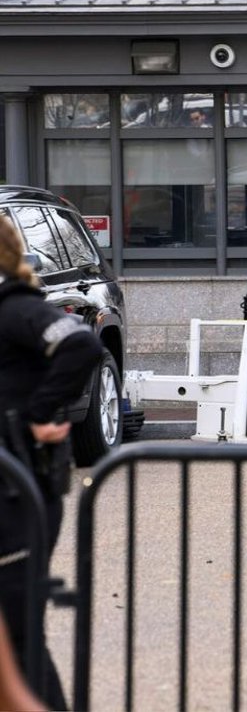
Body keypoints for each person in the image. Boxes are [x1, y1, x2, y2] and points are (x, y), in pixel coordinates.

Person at [0, 212, 102, 710]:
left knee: (18, 635)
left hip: (19, 494)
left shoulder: (15, 309)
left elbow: (80, 343)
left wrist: (40, 413)